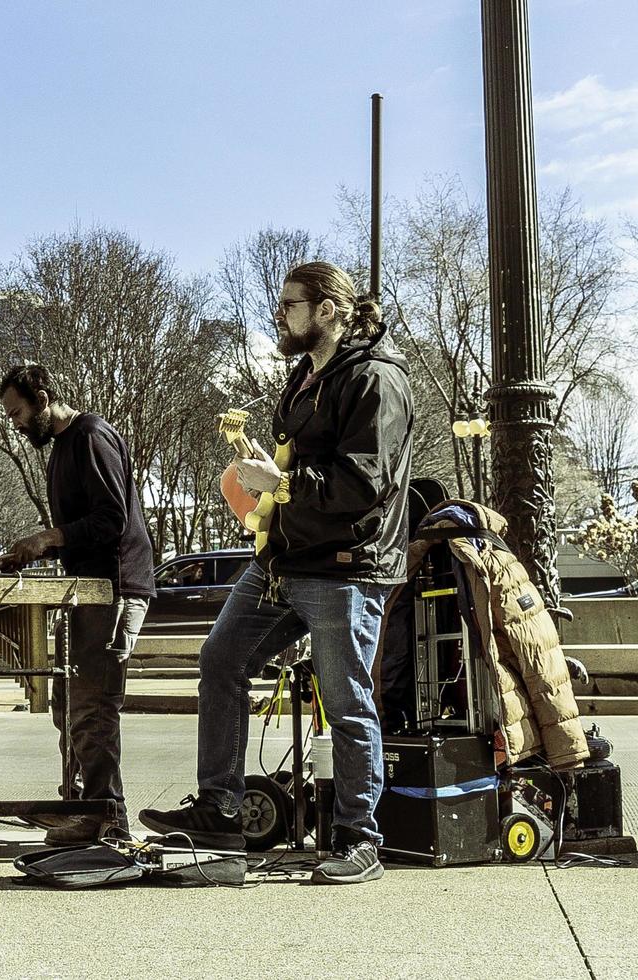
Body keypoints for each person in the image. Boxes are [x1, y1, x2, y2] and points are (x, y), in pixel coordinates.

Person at [139, 261, 411, 886]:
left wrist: (282, 484)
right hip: (280, 562)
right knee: (220, 660)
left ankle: (358, 838)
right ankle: (219, 810)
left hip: (345, 567)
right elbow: (299, 472)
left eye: (291, 305)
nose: (279, 315)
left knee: (346, 704)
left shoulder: (375, 378)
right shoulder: (302, 378)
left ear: (330, 310)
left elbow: (365, 483)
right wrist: (263, 480)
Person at [0, 365, 157, 846]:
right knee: (67, 704)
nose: (16, 423)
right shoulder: (59, 450)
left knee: (92, 707)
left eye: (18, 412)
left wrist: (51, 536)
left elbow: (111, 518)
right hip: (84, 587)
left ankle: (106, 817)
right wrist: (42, 549)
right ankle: (80, 803)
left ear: (43, 398)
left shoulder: (90, 435)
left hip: (113, 588)